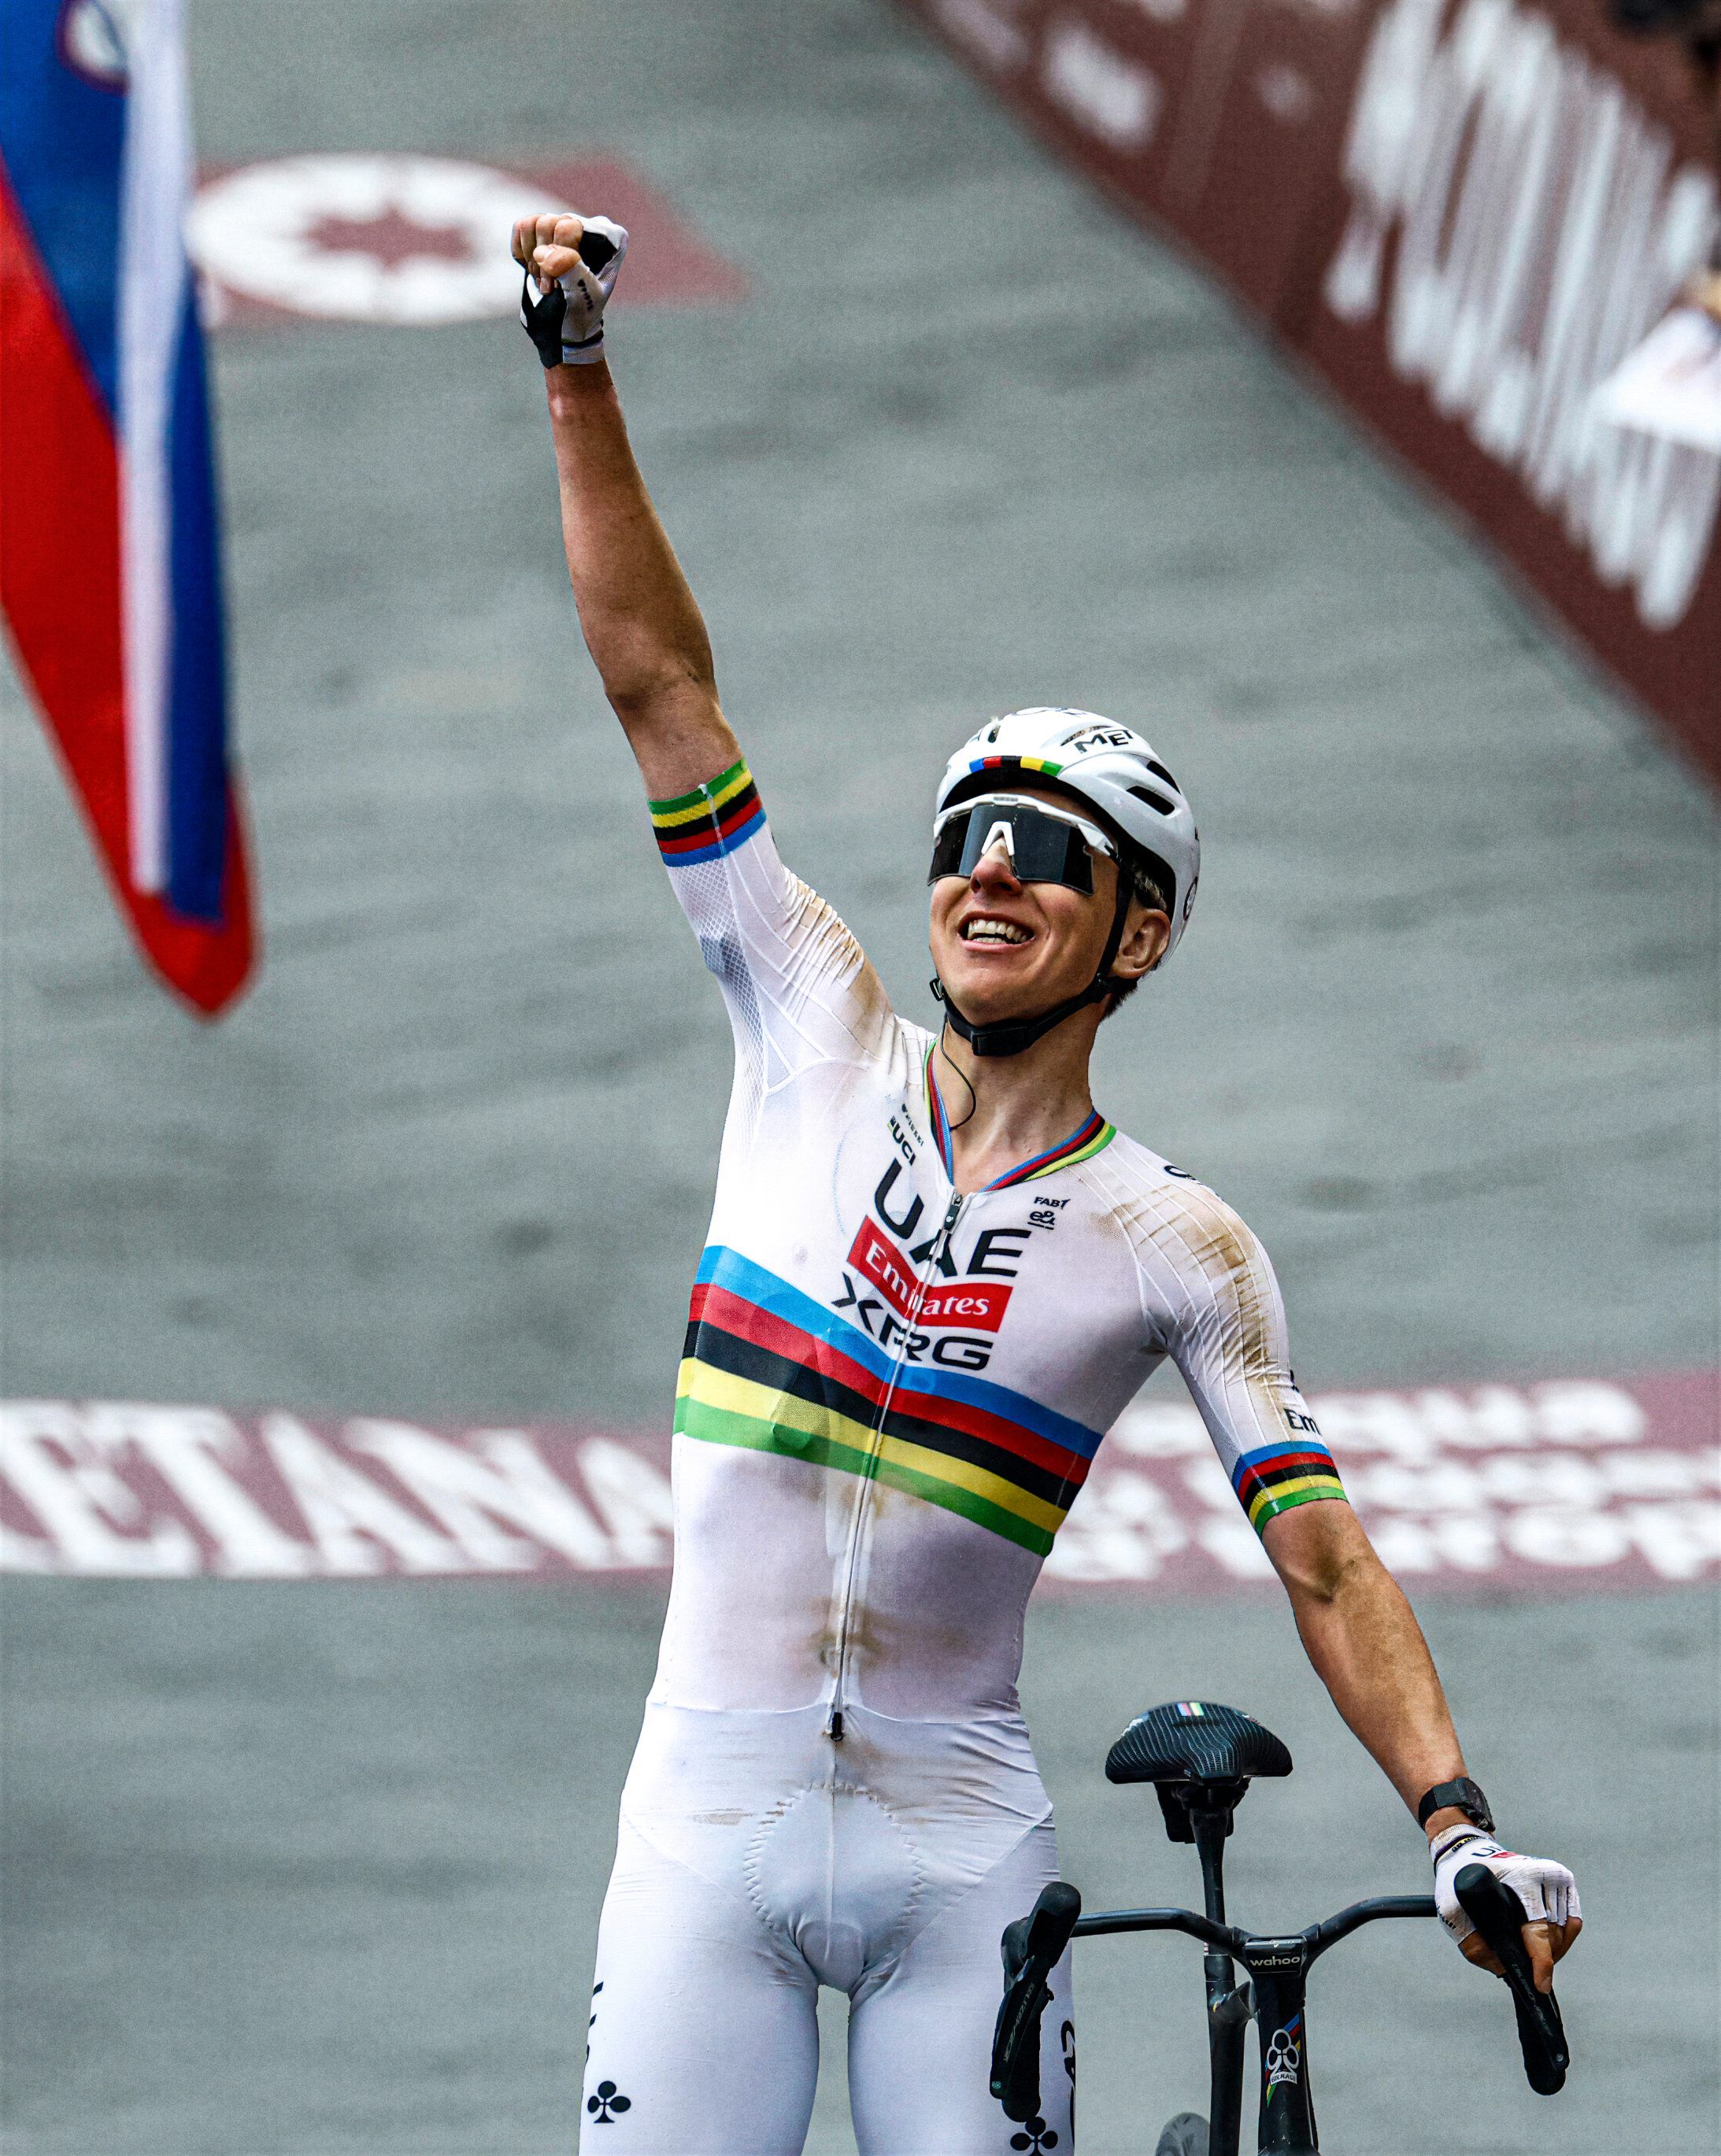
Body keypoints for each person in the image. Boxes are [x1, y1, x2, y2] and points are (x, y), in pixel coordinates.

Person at [513, 211, 1582, 2156]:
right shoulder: (806, 1021)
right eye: (968, 840)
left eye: (1046, 856)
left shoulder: (1176, 1238)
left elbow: (1322, 1556)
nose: (987, 874)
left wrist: (1458, 1829)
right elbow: (660, 685)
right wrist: (577, 364)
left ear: (1138, 934)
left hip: (960, 1856)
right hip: (704, 1820)